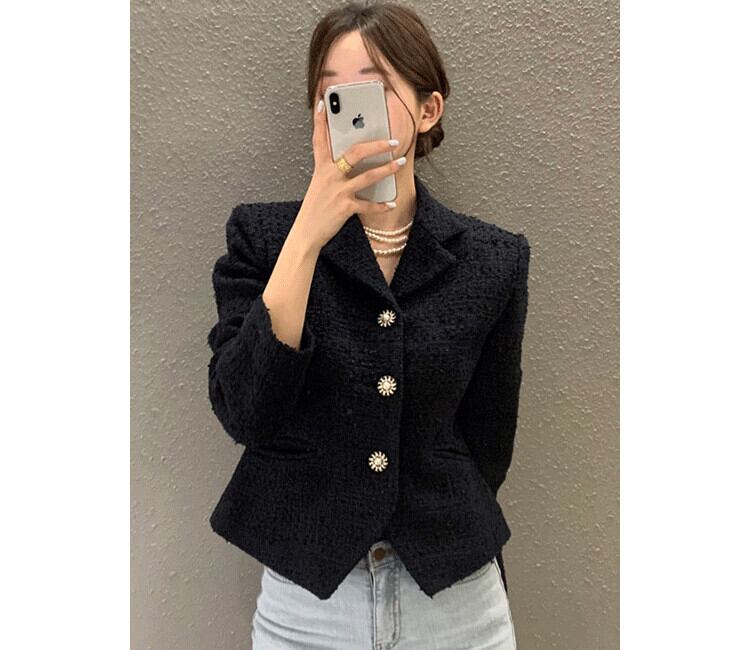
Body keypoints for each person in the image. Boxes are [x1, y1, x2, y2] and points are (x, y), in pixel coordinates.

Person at [206, 3, 530, 648]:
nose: (349, 109)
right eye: (332, 92)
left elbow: (488, 440)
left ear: (428, 110)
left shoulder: (493, 260)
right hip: (308, 603)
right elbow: (245, 412)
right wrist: (307, 234)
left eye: (373, 89)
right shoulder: (263, 239)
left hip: (454, 599)